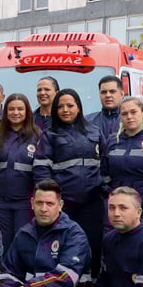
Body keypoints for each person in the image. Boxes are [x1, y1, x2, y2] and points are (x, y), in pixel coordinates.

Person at [33, 88, 110, 268]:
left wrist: (104, 188)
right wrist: (52, 198)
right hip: (65, 202)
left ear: (78, 107)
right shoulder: (50, 135)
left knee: (93, 243)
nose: (65, 110)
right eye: (60, 106)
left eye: (70, 105)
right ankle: (64, 281)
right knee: (62, 243)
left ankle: (91, 281)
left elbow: (106, 164)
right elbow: (41, 169)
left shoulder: (95, 132)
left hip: (93, 200)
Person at [0, 93, 40, 247]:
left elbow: (41, 171)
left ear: (27, 112)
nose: (15, 113)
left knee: (23, 241)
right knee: (1, 242)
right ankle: (2, 271)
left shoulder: (37, 136)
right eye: (11, 109)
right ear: (5, 112)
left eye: (20, 109)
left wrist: (35, 198)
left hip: (25, 202)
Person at [104, 96, 143, 232]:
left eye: (134, 112)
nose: (129, 117)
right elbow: (104, 172)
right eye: (124, 114)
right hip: (117, 202)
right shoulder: (112, 142)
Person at [87, 75, 124, 143]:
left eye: (112, 91)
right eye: (103, 92)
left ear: (122, 94)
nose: (108, 95)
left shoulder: (129, 120)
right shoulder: (87, 121)